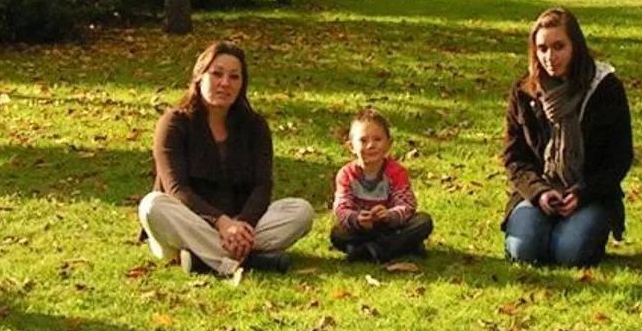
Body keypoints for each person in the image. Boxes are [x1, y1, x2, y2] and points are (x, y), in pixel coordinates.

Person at [139, 41, 315, 280]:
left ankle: (206, 259)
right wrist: (221, 223)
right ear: (199, 77)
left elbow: (262, 185)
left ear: (242, 84)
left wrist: (242, 224)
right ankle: (251, 260)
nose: (225, 83)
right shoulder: (174, 123)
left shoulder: (254, 126)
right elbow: (176, 189)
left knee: (301, 211)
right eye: (217, 74)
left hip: (240, 223)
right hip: (188, 222)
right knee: (152, 206)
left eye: (234, 77)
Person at [501, 7, 633, 266]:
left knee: (569, 253)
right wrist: (538, 192)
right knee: (523, 250)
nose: (550, 57)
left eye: (559, 47)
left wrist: (582, 194)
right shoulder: (524, 91)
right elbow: (514, 157)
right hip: (540, 190)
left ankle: (581, 232)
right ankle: (539, 226)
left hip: (589, 194)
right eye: (542, 49)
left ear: (575, 46)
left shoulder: (605, 89)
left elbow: (619, 158)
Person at [329, 106, 433, 263]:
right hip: (364, 228)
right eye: (363, 140)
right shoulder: (346, 174)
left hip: (392, 225)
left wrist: (389, 215)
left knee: (423, 222)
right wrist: (357, 219)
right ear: (351, 147)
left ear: (388, 144)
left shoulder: (396, 172)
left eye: (377, 139)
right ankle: (400, 247)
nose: (371, 145)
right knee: (338, 234)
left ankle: (372, 251)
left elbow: (406, 205)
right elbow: (341, 208)